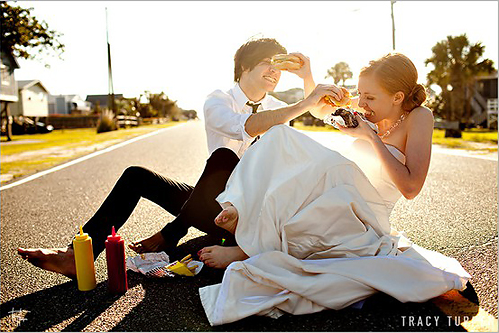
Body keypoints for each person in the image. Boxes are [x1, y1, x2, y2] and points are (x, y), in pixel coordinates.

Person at [17, 37, 343, 278]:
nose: (275, 72)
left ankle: (172, 233)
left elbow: (320, 109)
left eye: (279, 66)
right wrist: (301, 104)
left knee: (225, 162)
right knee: (144, 173)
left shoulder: (277, 107)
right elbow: (248, 127)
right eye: (267, 63)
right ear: (245, 66)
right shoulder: (218, 101)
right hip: (216, 209)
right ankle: (79, 258)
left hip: (256, 215)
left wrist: (306, 76)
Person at [198, 53, 471, 325]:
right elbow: (321, 110)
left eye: (369, 97)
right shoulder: (371, 108)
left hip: (366, 217)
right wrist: (307, 76)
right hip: (339, 202)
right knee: (280, 136)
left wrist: (370, 137)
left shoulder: (419, 117)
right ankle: (241, 212)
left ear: (398, 97)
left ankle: (248, 249)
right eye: (359, 94)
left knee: (326, 173)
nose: (360, 103)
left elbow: (411, 187)